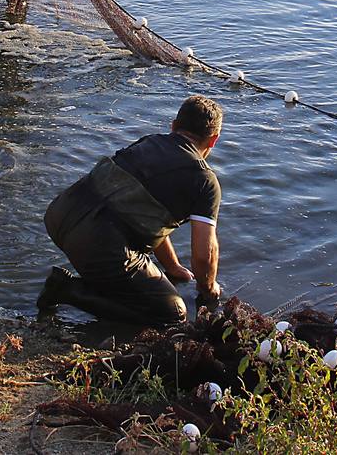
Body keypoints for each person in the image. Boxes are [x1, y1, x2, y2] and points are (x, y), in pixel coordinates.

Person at [38, 95, 224, 325]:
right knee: (173, 314)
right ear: (213, 140)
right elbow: (204, 256)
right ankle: (68, 291)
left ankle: (100, 279)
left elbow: (148, 218)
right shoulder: (205, 180)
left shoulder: (149, 142)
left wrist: (172, 266)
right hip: (96, 243)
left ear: (174, 126)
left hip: (58, 215)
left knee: (116, 249)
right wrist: (208, 289)